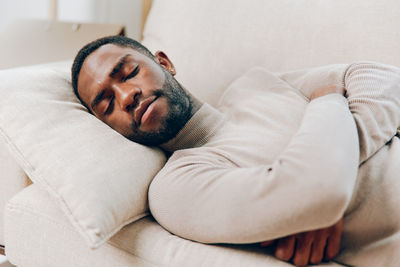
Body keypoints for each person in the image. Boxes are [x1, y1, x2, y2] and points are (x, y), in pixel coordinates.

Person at [72, 36, 400, 266]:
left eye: (129, 72)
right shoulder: (176, 188)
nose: (126, 96)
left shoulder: (255, 85)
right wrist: (329, 97)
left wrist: (334, 171)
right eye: (106, 103)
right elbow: (316, 192)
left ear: (164, 63)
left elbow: (382, 77)